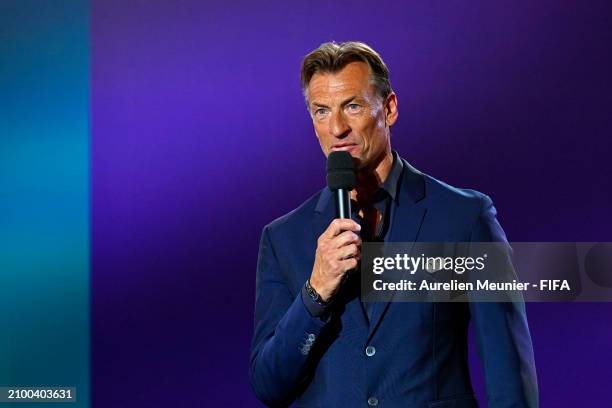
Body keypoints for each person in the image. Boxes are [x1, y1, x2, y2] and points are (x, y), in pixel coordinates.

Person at [249, 41, 538, 408]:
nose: (337, 127)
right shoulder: (282, 238)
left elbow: (508, 376)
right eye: (321, 111)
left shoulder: (464, 217)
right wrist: (315, 294)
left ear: (389, 108)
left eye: (351, 106)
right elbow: (269, 385)